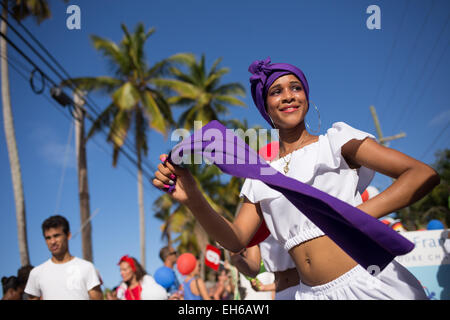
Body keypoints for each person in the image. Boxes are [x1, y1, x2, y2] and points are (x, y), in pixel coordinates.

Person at [153, 58, 441, 300]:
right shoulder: (259, 174)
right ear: (265, 107)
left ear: (306, 97)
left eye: (296, 87)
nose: (288, 95)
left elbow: (421, 175)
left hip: (367, 281)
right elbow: (236, 238)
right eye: (276, 91)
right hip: (308, 294)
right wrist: (192, 198)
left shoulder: (336, 142)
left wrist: (352, 216)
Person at [24, 215, 103, 300]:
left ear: (68, 235)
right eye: (48, 238)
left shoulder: (86, 267)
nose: (52, 241)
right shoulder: (36, 273)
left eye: (56, 236)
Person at [231, 234, 299, 300]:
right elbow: (252, 270)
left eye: (245, 250)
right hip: (281, 294)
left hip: (303, 288)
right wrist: (236, 258)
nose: (244, 252)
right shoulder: (257, 229)